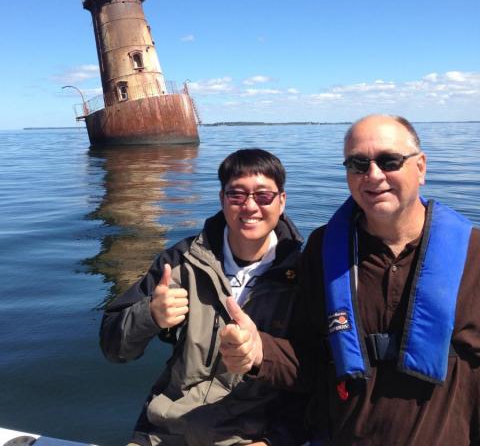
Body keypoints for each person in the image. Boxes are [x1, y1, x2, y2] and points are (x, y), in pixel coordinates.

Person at [220, 115, 480, 446]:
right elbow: (311, 359)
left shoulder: (473, 253)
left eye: (389, 161)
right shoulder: (323, 250)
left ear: (421, 167)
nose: (373, 175)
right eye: (358, 164)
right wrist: (260, 352)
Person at [100, 148, 306, 446]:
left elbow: (316, 374)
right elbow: (113, 348)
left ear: (282, 201)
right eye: (236, 195)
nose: (249, 207)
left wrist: (276, 440)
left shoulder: (304, 273)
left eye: (263, 196)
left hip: (248, 437)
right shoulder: (180, 261)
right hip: (165, 431)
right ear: (222, 199)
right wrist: (150, 315)